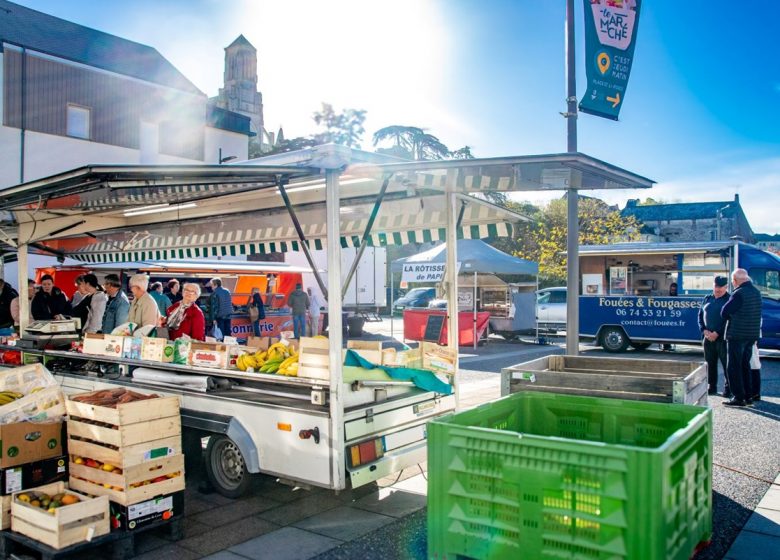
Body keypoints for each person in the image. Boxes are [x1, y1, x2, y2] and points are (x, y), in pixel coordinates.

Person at [720, 268, 762, 407]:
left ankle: (738, 397)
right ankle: (748, 396)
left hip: (737, 334)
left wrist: (732, 318)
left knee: (733, 366)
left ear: (736, 280)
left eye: (733, 281)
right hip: (751, 335)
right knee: (745, 365)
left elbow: (724, 311)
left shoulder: (739, 293)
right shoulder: (756, 292)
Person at [698, 276, 730, 396]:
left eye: (721, 287)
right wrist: (704, 330)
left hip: (722, 338)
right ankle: (712, 386)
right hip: (707, 337)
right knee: (710, 364)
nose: (718, 289)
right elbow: (700, 316)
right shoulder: (707, 298)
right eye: (716, 286)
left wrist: (717, 333)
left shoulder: (729, 299)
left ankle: (728, 388)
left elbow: (728, 319)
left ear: (726, 287)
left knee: (726, 364)